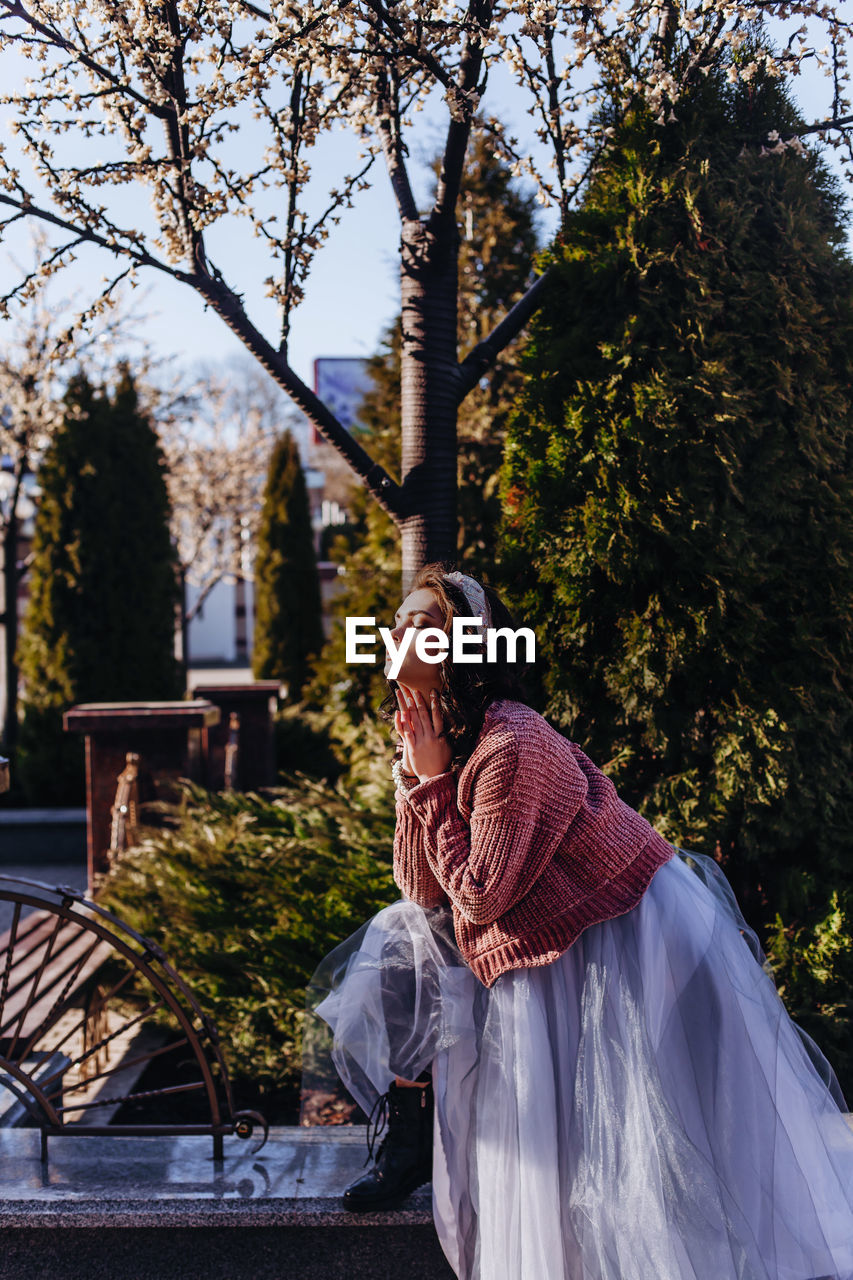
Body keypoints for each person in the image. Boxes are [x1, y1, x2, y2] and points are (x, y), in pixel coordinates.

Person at [305, 562, 853, 1280]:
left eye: (428, 625)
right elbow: (421, 891)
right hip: (538, 930)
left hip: (622, 933)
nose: (405, 633)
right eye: (401, 621)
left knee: (637, 1157)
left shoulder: (511, 745)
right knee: (398, 934)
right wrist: (416, 776)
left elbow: (476, 899)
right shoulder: (432, 736)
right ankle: (410, 1141)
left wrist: (434, 781)